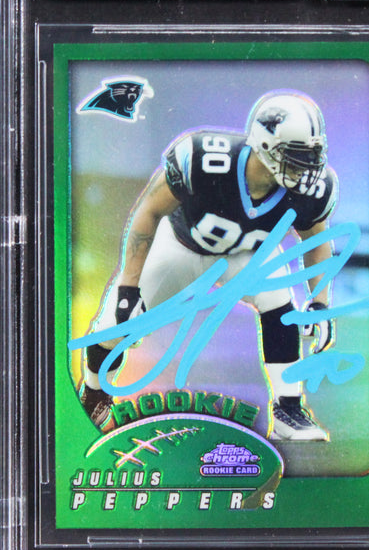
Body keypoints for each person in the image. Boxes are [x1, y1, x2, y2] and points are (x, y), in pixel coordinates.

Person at [79, 89, 338, 441]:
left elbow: (317, 239)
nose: (306, 168)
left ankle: (288, 410)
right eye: (295, 156)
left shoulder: (310, 189)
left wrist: (320, 303)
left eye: (311, 156)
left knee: (279, 301)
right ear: (265, 146)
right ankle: (94, 394)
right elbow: (149, 211)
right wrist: (128, 288)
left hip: (246, 253)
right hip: (181, 246)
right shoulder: (204, 159)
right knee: (115, 323)